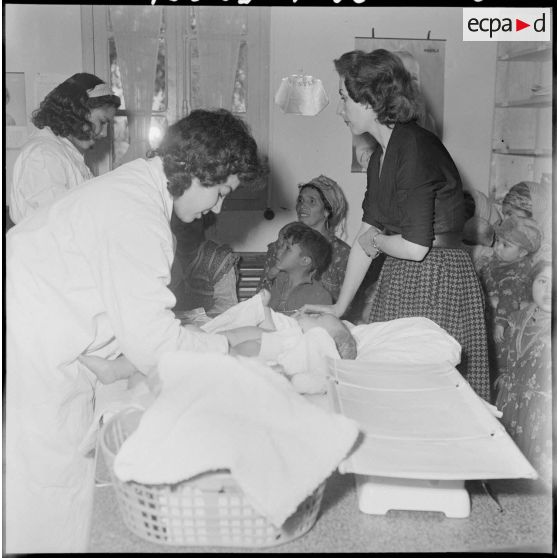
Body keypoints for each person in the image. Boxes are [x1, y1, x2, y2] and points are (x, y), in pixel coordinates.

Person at [5, 108, 265, 554]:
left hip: (40, 327)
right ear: (196, 171)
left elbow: (130, 313)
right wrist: (226, 346)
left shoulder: (135, 188)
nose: (217, 207)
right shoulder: (137, 216)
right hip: (31, 339)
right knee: (47, 481)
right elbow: (155, 344)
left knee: (56, 475)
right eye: (220, 192)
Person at [303, 49, 491, 402]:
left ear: (370, 99)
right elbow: (365, 233)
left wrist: (378, 239)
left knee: (429, 394)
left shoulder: (416, 147)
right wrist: (340, 307)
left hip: (439, 278)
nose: (340, 109)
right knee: (393, 389)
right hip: (403, 276)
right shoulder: (380, 157)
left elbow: (415, 247)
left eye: (344, 98)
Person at [8, 73, 121, 224]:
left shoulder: (65, 154)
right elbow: (56, 226)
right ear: (78, 111)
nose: (104, 133)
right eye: (102, 121)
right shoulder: (43, 156)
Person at [494, 260, 552, 487]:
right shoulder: (518, 317)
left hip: (544, 416)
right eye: (543, 281)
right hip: (510, 405)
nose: (549, 291)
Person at [259, 175, 350, 303]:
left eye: (312, 201)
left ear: (327, 211)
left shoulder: (342, 253)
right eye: (300, 200)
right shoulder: (279, 248)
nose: (302, 206)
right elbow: (262, 294)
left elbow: (351, 304)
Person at [477, 215, 542, 378]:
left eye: (505, 245)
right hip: (491, 308)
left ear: (523, 252)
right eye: (498, 241)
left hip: (507, 320)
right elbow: (487, 270)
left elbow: (509, 299)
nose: (498, 247)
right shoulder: (502, 260)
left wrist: (500, 323)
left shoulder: (518, 272)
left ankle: (501, 376)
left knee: (500, 351)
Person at [267, 221, 334, 312]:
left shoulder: (320, 296)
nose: (278, 251)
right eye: (281, 246)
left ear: (305, 261)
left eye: (287, 248)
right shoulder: (278, 281)